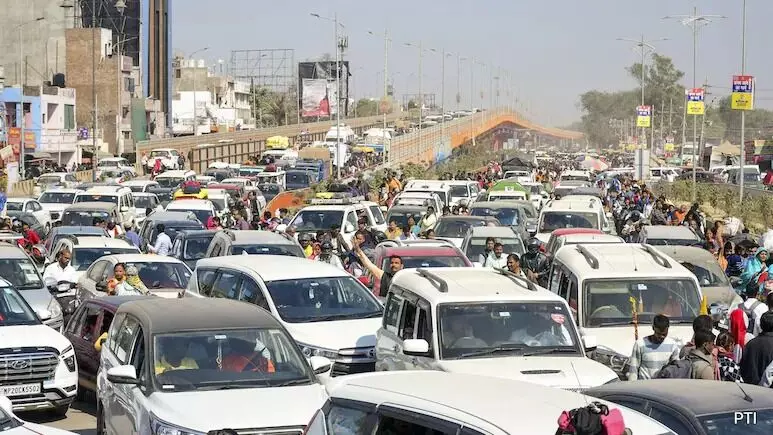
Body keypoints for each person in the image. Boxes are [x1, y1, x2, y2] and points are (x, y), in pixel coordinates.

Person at [627, 314, 680, 380]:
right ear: (653, 328)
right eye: (658, 334)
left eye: (664, 334)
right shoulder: (640, 344)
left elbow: (676, 369)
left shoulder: (672, 345)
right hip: (644, 387)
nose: (661, 337)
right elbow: (633, 369)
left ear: (668, 329)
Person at [739, 312, 773, 385]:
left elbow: (743, 369)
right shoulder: (750, 344)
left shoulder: (751, 344)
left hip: (751, 390)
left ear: (761, 325)